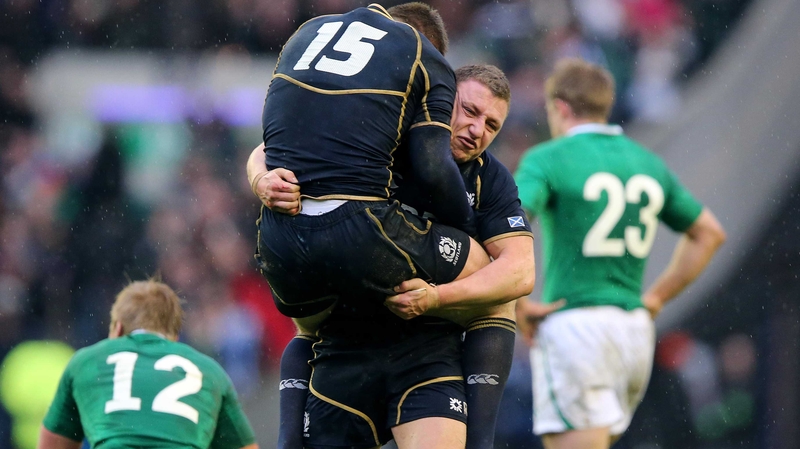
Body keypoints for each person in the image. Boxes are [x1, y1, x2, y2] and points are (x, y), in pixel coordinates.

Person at [252, 64, 557, 449]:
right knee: (307, 326)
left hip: (427, 348)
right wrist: (260, 179)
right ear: (443, 100)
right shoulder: (385, 136)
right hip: (346, 342)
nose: (478, 130)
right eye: (470, 111)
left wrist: (435, 298)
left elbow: (521, 272)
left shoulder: (489, 178)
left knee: (501, 298)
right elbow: (270, 148)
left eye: (492, 125)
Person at [513, 58, 727, 449]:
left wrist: (518, 303)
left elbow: (507, 223)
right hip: (633, 331)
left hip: (576, 327)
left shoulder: (548, 159)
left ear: (559, 107)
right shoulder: (646, 163)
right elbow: (709, 234)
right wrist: (658, 297)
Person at [37, 280, 259, 449]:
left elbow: (52, 444)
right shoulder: (209, 370)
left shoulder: (86, 361)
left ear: (118, 329)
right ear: (174, 336)